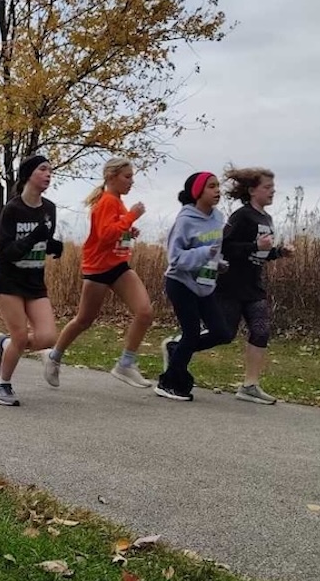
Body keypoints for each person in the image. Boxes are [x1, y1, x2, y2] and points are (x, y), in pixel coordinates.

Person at [43, 158, 154, 389]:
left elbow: (114, 230)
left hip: (118, 266)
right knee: (84, 320)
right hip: (98, 268)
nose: (131, 181)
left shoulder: (118, 202)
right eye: (127, 176)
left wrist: (128, 230)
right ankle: (53, 356)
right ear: (112, 176)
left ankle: (125, 364)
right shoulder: (107, 202)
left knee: (144, 312)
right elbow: (105, 235)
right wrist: (131, 217)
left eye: (132, 177)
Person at [0, 155, 64, 407]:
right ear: (29, 175)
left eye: (50, 170)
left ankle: (5, 345)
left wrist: (53, 245)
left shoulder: (49, 208)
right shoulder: (12, 209)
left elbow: (42, 241)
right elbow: (6, 252)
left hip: (34, 281)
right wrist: (34, 237)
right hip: (9, 281)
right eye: (43, 169)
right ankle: (2, 384)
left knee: (47, 337)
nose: (48, 174)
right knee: (21, 337)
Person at [217, 166, 295, 405]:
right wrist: (256, 247)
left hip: (254, 285)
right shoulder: (242, 216)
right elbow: (225, 247)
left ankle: (250, 385)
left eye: (273, 187)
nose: (272, 191)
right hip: (231, 285)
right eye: (267, 187)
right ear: (252, 190)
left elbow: (261, 253)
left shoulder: (266, 218)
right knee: (224, 334)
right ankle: (177, 347)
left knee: (261, 330)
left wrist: (279, 252)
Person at [157, 171, 236, 401]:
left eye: (218, 186)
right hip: (180, 282)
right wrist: (204, 253)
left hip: (205, 284)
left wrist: (218, 264)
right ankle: (168, 384)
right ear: (197, 192)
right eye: (211, 186)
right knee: (191, 333)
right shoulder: (185, 221)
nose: (217, 190)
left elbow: (213, 251)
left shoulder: (218, 218)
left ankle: (175, 349)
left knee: (222, 333)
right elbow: (175, 258)